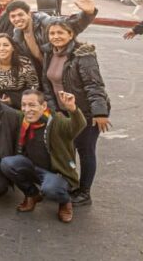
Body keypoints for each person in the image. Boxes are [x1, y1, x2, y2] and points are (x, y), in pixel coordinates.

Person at [39, 20, 110, 206]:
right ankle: (70, 183)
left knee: (85, 150)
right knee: (66, 147)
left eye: (60, 33)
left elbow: (94, 84)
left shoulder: (83, 54)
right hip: (63, 110)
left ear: (71, 35)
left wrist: (100, 112)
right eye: (52, 33)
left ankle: (85, 192)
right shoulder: (48, 52)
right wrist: (55, 111)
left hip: (86, 111)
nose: (56, 37)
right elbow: (47, 85)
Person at [0, 89, 85, 223]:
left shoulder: (57, 121)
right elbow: (0, 108)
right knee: (7, 164)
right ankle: (32, 195)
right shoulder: (22, 119)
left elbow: (77, 126)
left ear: (43, 106)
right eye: (24, 105)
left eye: (32, 105)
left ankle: (65, 201)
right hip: (33, 168)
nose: (27, 109)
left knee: (50, 189)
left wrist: (73, 109)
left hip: (57, 174)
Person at [0, 33, 38, 108]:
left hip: (20, 101)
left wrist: (13, 100)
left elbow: (33, 86)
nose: (1, 48)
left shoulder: (24, 63)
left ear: (13, 48)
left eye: (6, 45)